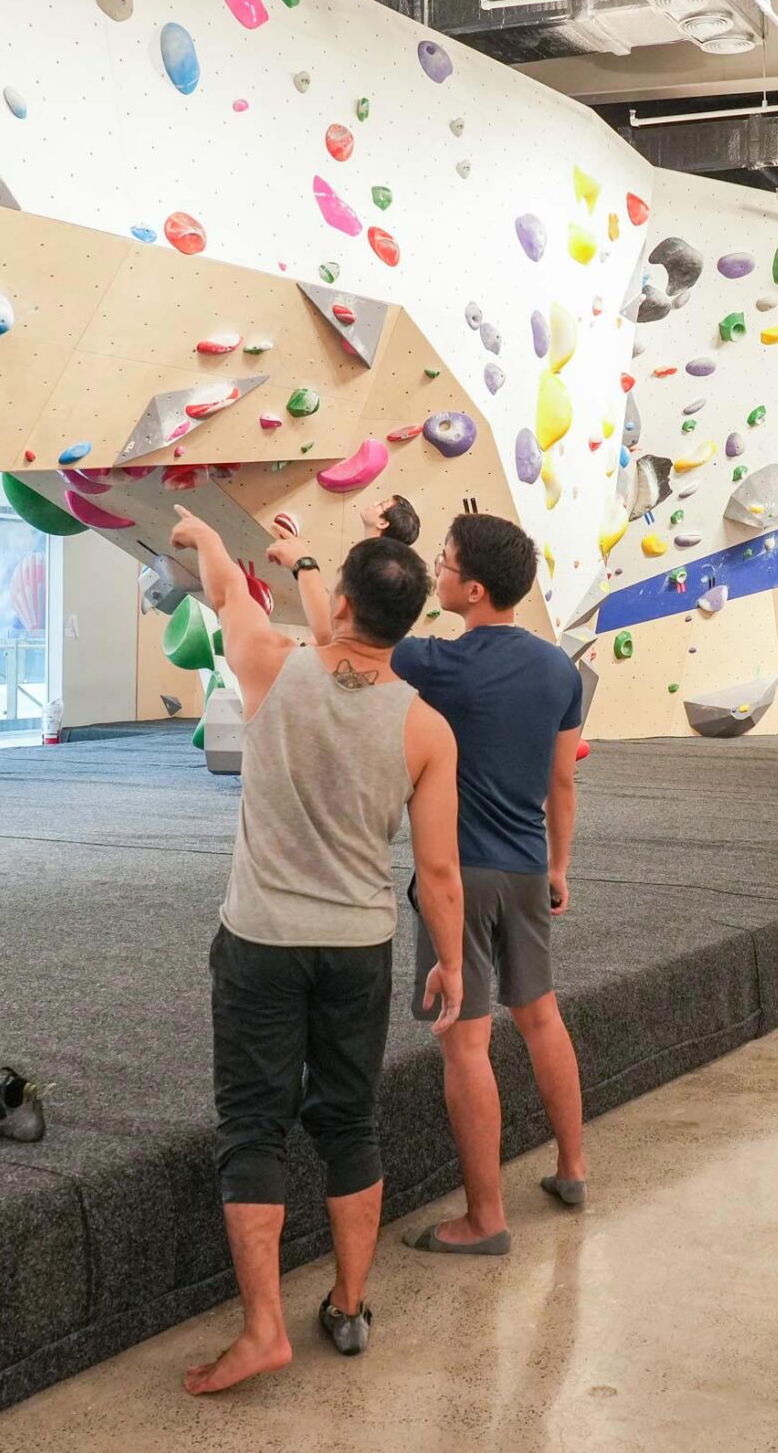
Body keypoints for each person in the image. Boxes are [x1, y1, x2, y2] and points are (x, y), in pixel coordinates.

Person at [168, 507, 466, 1395]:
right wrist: (446, 958)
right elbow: (439, 870)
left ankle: (263, 1328)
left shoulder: (270, 665)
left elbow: (225, 587)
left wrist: (201, 534)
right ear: (409, 624)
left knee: (254, 1126)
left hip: (261, 938)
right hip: (358, 946)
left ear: (337, 602)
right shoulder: (426, 727)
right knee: (349, 1121)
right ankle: (347, 1302)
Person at [383, 513, 589, 1255]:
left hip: (459, 877)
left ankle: (484, 1218)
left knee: (465, 1042)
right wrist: (559, 865)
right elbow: (562, 780)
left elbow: (354, 624)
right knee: (541, 1017)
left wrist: (339, 554)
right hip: (530, 867)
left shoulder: (439, 663)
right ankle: (572, 1166)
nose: (434, 572)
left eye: (441, 563)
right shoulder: (560, 669)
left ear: (471, 588)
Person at [293, 494, 426, 645]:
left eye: (381, 504)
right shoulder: (370, 563)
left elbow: (333, 628)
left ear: (383, 523)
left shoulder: (369, 571)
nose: (375, 502)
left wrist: (301, 562)